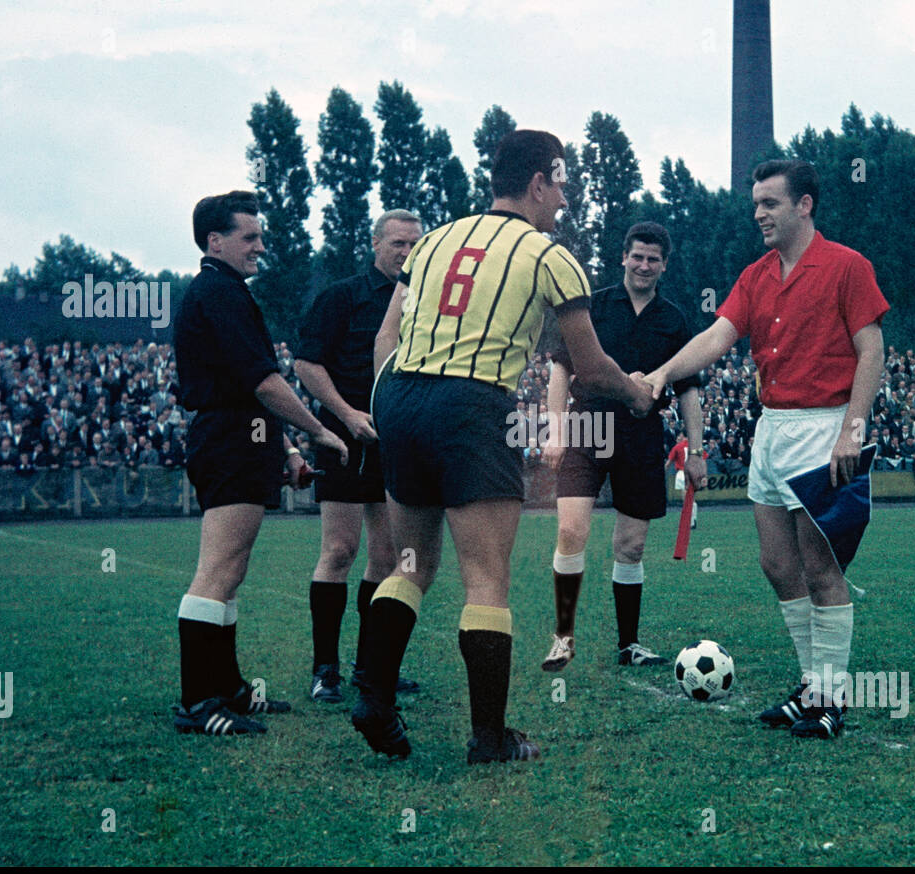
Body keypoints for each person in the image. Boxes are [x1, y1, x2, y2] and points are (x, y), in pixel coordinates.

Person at [357, 129, 654, 763]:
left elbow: (386, 339)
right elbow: (591, 366)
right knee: (486, 580)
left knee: (409, 565)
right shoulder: (550, 256)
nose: (566, 200)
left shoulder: (432, 240)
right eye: (562, 184)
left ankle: (373, 696)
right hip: (470, 406)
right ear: (539, 182)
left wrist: (390, 407)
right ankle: (489, 739)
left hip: (402, 397)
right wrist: (635, 394)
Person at [645, 159, 887, 740]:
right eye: (756, 204)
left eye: (770, 203)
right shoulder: (756, 275)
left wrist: (852, 429)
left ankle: (830, 698)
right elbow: (717, 337)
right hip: (772, 428)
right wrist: (660, 374)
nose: (759, 214)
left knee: (821, 567)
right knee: (778, 565)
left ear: (804, 205)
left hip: (824, 427)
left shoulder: (847, 266)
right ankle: (812, 688)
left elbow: (871, 350)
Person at [170, 190, 348, 736]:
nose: (260, 247)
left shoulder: (224, 291)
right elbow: (264, 382)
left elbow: (251, 390)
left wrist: (287, 450)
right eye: (249, 237)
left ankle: (229, 690)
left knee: (232, 570)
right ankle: (200, 702)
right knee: (217, 570)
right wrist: (316, 430)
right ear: (214, 241)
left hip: (238, 436)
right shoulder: (218, 293)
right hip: (226, 438)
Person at [541, 222, 705, 673]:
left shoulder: (674, 319)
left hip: (641, 432)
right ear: (623, 257)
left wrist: (696, 450)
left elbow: (689, 390)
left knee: (630, 546)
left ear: (664, 265)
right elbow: (559, 371)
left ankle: (629, 645)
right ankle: (562, 638)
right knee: (572, 530)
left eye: (654, 259)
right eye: (638, 256)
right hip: (587, 427)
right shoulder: (591, 305)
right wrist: (554, 430)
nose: (645, 265)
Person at [295, 210, 424, 704]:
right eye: (397, 243)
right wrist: (347, 414)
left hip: (396, 440)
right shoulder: (341, 297)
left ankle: (371, 666)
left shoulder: (422, 302)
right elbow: (306, 364)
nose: (407, 252)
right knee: (339, 550)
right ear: (375, 244)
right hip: (342, 439)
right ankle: (324, 669)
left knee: (389, 558)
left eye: (415, 244)